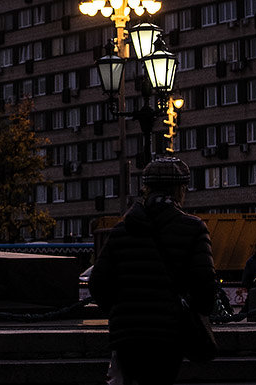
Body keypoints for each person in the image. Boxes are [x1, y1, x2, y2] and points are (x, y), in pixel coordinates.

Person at [89, 157, 216, 385]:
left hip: (127, 335)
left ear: (146, 189)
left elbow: (98, 283)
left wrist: (120, 312)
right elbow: (204, 284)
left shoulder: (121, 230)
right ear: (179, 190)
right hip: (169, 334)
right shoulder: (193, 228)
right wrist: (193, 311)